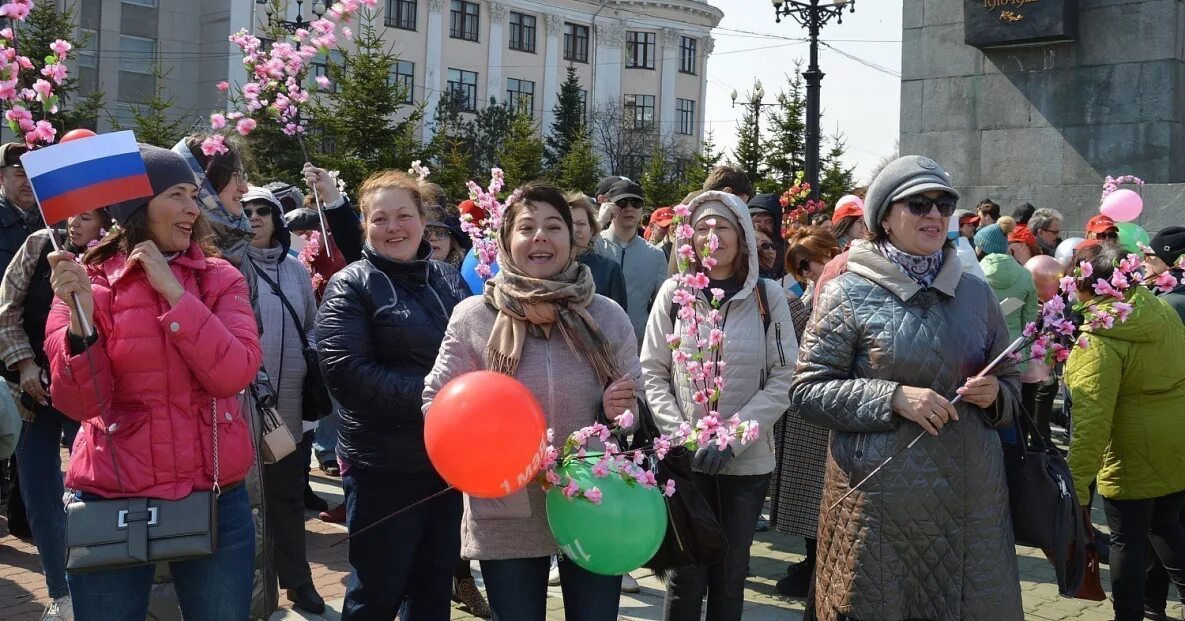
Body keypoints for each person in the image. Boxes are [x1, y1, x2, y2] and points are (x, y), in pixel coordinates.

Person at [790, 155, 1024, 621]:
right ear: (885, 219)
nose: (934, 214)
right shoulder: (847, 291)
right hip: (879, 510)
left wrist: (995, 394)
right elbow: (808, 391)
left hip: (971, 506)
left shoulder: (976, 294)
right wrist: (893, 397)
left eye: (944, 203)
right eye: (918, 203)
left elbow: (1013, 386)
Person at [44, 144, 262, 620]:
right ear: (137, 207)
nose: (192, 208)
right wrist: (81, 324)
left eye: (193, 195)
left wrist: (174, 290)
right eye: (178, 194)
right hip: (111, 493)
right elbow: (80, 403)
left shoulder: (219, 277)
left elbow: (234, 372)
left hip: (214, 492)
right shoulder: (88, 282)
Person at [425, 182, 642, 621]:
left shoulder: (606, 316)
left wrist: (622, 409)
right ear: (506, 241)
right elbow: (436, 401)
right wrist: (481, 437)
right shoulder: (474, 316)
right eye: (526, 227)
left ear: (574, 239)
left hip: (592, 499)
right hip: (507, 501)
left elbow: (635, 406)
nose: (540, 236)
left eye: (553, 226)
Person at [316, 170, 469, 621]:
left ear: (424, 220)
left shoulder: (448, 279)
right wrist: (440, 399)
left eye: (404, 215)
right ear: (364, 224)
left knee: (434, 583)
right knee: (378, 587)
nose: (393, 227)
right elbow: (348, 374)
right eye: (379, 218)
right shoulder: (352, 285)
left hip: (446, 463)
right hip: (383, 465)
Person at [640, 190, 797, 621]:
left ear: (743, 234)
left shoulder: (767, 297)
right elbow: (652, 370)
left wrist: (733, 436)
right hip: (687, 461)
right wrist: (681, 434)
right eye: (703, 226)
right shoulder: (675, 293)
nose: (713, 235)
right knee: (685, 572)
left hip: (746, 464)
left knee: (731, 574)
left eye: (723, 225)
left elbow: (785, 376)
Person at [1063, 242, 1185, 621]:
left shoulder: (1097, 340)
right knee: (1166, 523)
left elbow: (1091, 421)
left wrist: (1078, 486)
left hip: (1133, 445)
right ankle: (1151, 608)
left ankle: (1128, 615)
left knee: (1127, 538)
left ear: (1085, 285)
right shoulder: (1159, 307)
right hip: (1175, 433)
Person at [0, 208, 109, 621]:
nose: (74, 225)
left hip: (91, 395)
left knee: (100, 492)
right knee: (40, 497)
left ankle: (103, 583)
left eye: (86, 218)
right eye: (71, 217)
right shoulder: (39, 243)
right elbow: (6, 310)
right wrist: (24, 363)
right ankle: (60, 593)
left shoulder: (119, 255)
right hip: (33, 396)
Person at [239, 187, 325, 614]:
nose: (253, 217)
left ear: (276, 218)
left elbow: (312, 325)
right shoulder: (229, 265)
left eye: (261, 211)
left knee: (288, 497)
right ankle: (253, 590)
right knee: (244, 506)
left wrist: (308, 359)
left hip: (288, 405)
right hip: (240, 403)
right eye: (245, 211)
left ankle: (298, 582)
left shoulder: (294, 270)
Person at [770, 225, 841, 600]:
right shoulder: (817, 289)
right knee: (808, 496)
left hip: (820, 411)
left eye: (808, 263)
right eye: (800, 268)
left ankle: (816, 568)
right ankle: (811, 561)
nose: (806, 273)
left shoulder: (837, 290)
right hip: (805, 409)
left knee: (816, 496)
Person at [0, 141, 46, 542]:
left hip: (29, 348)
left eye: (31, 175)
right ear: (1, 178)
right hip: (3, 340)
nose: (26, 183)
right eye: (18, 174)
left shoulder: (47, 223)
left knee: (25, 439)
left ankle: (22, 519)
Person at [1142, 225, 1185, 621]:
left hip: (1167, 425)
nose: (1142, 265)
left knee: (1162, 521)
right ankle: (1153, 607)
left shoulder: (1171, 305)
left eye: (1150, 258)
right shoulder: (1168, 298)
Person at [977, 222, 1040, 444]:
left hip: (981, 352)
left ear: (982, 247)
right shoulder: (1024, 275)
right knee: (1013, 406)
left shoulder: (974, 273)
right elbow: (1030, 322)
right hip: (1014, 352)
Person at [593, 178, 666, 345]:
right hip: (594, 344)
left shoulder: (655, 255)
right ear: (610, 207)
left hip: (637, 346)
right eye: (622, 203)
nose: (629, 208)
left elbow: (660, 308)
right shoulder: (594, 244)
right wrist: (599, 221)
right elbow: (570, 253)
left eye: (636, 203)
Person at [568, 193, 628, 310]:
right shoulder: (549, 266)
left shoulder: (610, 269)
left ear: (592, 229)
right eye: (569, 223)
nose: (575, 229)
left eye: (581, 224)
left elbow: (619, 318)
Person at [747, 194, 785, 278]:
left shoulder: (786, 250)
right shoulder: (740, 248)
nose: (762, 226)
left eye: (768, 222)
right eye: (757, 221)